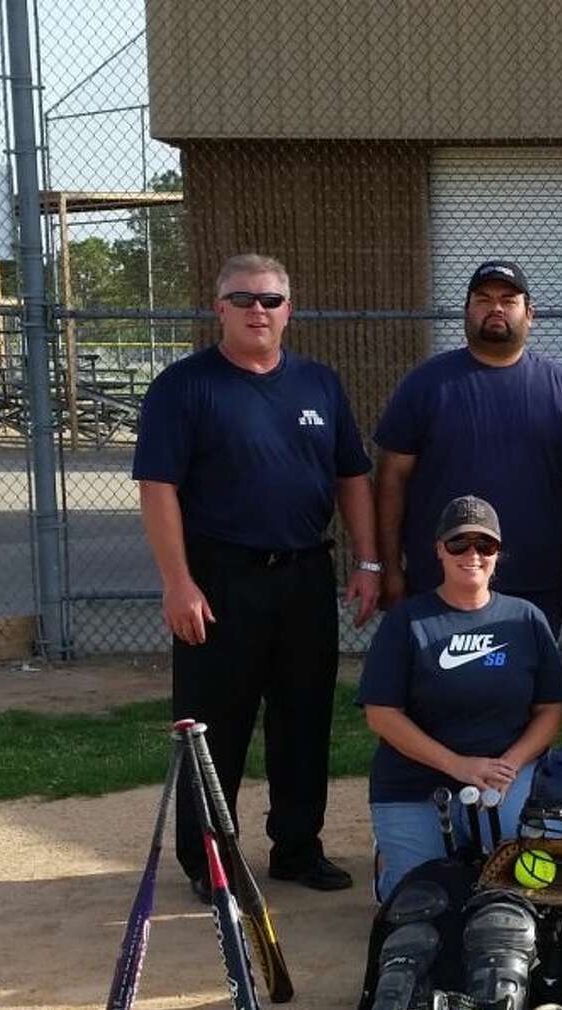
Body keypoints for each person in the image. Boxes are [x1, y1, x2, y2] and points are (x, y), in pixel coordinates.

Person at [133, 253, 380, 900]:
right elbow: (157, 487)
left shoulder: (319, 385)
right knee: (216, 723)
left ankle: (298, 848)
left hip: (303, 575)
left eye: (271, 300)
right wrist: (177, 581)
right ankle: (209, 861)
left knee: (303, 719)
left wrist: (369, 561)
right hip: (219, 579)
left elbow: (352, 476)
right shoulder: (185, 387)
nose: (258, 311)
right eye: (243, 299)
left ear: (288, 310)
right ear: (219, 308)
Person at [374, 259, 562, 639]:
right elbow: (391, 479)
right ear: (466, 312)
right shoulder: (426, 385)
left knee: (531, 695)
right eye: (483, 299)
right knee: (438, 694)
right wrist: (391, 568)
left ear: (530, 314)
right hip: (441, 582)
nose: (495, 307)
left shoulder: (560, 388)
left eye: (508, 300)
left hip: (534, 583)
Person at [357, 495, 562, 901]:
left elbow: (550, 711)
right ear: (439, 549)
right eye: (459, 544)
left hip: (502, 777)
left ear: (498, 553)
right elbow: (381, 715)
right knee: (419, 901)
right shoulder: (408, 620)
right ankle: (389, 863)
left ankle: (476, 851)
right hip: (416, 781)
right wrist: (458, 766)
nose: (472, 555)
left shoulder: (525, 618)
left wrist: (508, 764)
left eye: (484, 545)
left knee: (529, 884)